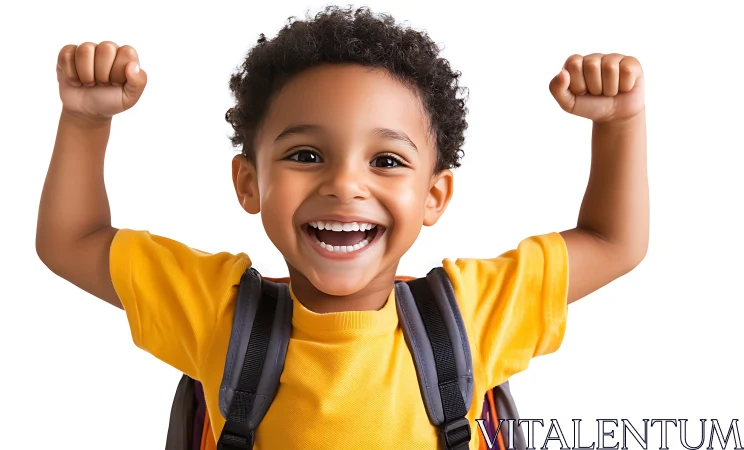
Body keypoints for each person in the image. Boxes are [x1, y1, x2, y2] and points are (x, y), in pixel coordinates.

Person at [36, 6, 648, 449]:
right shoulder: (211, 309)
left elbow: (614, 242)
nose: (344, 186)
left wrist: (620, 122)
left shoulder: (474, 313)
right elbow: (71, 241)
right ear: (249, 183)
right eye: (306, 155)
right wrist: (85, 122)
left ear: (434, 196)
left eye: (386, 161)